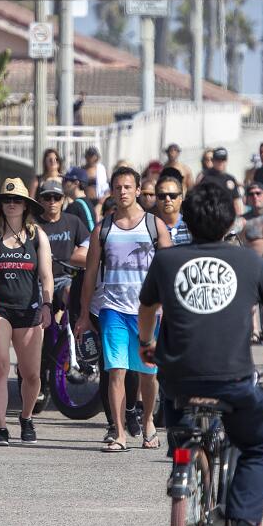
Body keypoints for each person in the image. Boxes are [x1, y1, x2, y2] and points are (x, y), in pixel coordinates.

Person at [138, 181, 263, 526]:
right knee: (259, 447)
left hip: (177, 379)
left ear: (186, 220)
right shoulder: (248, 262)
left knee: (179, 411)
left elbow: (146, 309)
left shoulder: (166, 262)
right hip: (232, 380)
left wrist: (147, 342)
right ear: (231, 220)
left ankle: (183, 457)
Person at [77, 166, 173, 452]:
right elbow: (90, 274)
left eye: (128, 187)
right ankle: (118, 432)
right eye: (117, 187)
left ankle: (148, 423)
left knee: (147, 373)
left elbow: (168, 270)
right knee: (116, 370)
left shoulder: (154, 225)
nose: (122, 192)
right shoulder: (102, 229)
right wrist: (84, 314)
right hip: (113, 310)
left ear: (138, 189)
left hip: (148, 312)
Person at [0, 179, 54, 445]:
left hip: (28, 309)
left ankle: (27, 418)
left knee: (31, 374)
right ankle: (1, 427)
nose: (12, 204)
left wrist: (47, 306)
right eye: (7, 200)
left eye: (17, 200)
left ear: (26, 205)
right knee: (0, 367)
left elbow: (46, 276)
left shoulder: (37, 235)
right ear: (0, 205)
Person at [36, 179, 90, 308]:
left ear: (63, 199)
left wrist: (80, 254)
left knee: (71, 293)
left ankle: (68, 325)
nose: (52, 202)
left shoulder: (73, 221)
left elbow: (90, 243)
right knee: (37, 305)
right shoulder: (33, 224)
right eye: (47, 197)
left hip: (65, 278)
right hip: (38, 280)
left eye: (57, 197)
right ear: (40, 200)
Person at [202, 148, 244, 216]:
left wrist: (240, 217)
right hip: (213, 217)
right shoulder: (206, 179)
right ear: (213, 161)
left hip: (229, 218)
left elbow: (236, 200)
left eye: (223, 160)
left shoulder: (230, 179)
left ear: (226, 161)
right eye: (218, 160)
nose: (220, 162)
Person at [155, 169, 191, 246]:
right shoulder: (149, 227)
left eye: (172, 195)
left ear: (181, 198)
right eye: (162, 196)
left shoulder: (192, 226)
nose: (167, 199)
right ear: (156, 199)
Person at [63, 166, 96, 231]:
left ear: (76, 183)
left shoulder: (75, 206)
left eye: (66, 180)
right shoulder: (87, 203)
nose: (63, 183)